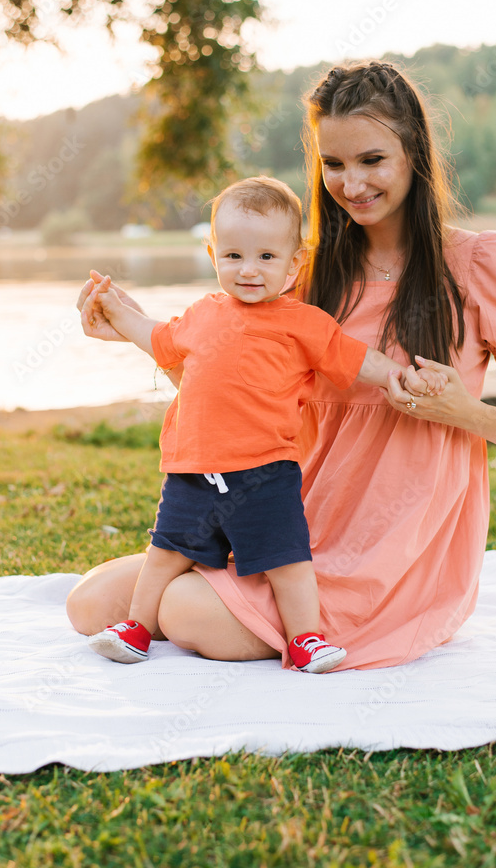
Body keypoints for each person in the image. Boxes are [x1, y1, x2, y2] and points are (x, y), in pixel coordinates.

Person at [68, 60, 496, 673]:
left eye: (372, 160)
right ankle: (230, 588)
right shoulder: (303, 273)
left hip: (387, 548)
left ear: (414, 152)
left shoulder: (478, 262)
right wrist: (131, 329)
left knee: (184, 611)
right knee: (89, 604)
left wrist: (463, 411)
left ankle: (258, 608)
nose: (351, 184)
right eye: (334, 164)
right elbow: (231, 390)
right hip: (284, 515)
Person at [82, 175, 448, 672]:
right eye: (233, 256)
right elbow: (156, 336)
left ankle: (305, 640)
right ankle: (136, 628)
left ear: (294, 263)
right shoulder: (200, 314)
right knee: (165, 553)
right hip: (193, 473)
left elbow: (355, 357)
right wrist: (116, 310)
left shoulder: (302, 323)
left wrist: (395, 375)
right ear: (213, 255)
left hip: (265, 475)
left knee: (287, 560)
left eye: (266, 257)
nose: (249, 270)